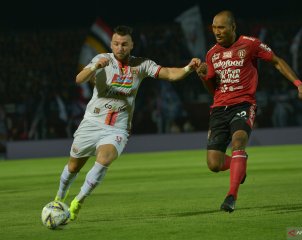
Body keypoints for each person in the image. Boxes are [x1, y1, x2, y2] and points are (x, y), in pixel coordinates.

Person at [53, 25, 201, 221]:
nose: (119, 47)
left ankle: (78, 200)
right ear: (111, 44)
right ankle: (59, 197)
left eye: (124, 44)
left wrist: (189, 68)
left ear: (132, 45)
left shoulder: (141, 64)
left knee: (104, 159)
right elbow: (79, 79)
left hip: (117, 128)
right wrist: (96, 66)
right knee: (73, 167)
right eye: (115, 43)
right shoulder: (101, 59)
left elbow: (170, 74)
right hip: (92, 122)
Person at [196, 10, 302, 213]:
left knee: (239, 140)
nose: (217, 32)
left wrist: (298, 84)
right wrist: (203, 77)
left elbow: (276, 61)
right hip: (219, 108)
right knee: (214, 164)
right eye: (214, 28)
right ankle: (239, 165)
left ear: (233, 27)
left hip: (243, 104)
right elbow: (213, 90)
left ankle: (231, 196)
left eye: (221, 27)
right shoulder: (211, 54)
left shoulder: (250, 44)